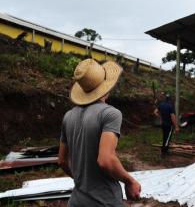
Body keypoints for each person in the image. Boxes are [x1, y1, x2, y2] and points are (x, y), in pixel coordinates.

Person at [58, 59, 141, 206]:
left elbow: (62, 161)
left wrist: (81, 181)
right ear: (106, 86)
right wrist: (130, 181)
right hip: (104, 201)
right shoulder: (110, 114)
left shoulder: (68, 116)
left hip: (76, 201)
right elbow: (105, 160)